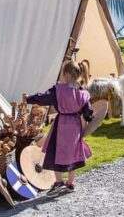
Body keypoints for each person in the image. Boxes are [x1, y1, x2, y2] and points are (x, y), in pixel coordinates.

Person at [27, 60, 94, 193]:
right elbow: (88, 111)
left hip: (62, 124)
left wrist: (30, 99)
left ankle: (58, 182)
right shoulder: (83, 93)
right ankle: (70, 183)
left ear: (66, 74)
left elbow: (44, 98)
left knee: (55, 151)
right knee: (72, 152)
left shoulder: (59, 90)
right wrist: (89, 119)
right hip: (75, 125)